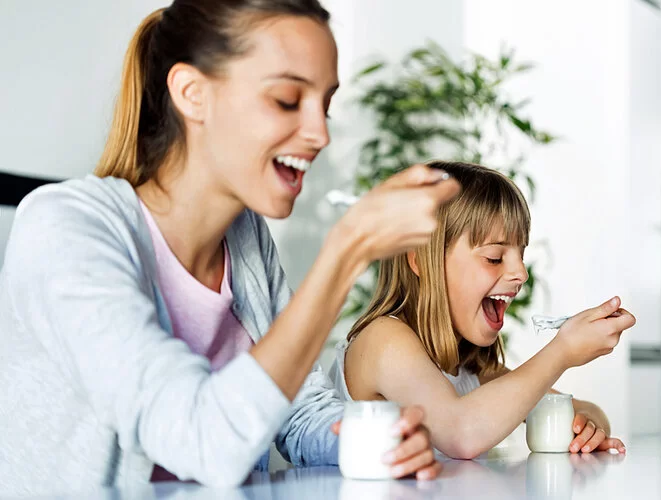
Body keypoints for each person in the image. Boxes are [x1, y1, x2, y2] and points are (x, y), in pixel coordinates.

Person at [0, 1, 461, 496]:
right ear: (192, 94)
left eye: (324, 105)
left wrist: (360, 440)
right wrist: (347, 251)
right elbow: (203, 440)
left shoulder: (246, 239)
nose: (319, 134)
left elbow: (297, 410)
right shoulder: (65, 229)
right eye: (287, 100)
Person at [329, 161, 635, 459]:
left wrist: (589, 426)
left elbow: (581, 409)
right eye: (494, 257)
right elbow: (461, 433)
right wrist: (562, 351)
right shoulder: (382, 339)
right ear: (420, 260)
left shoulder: (473, 371)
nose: (521, 274)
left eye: (521, 253)